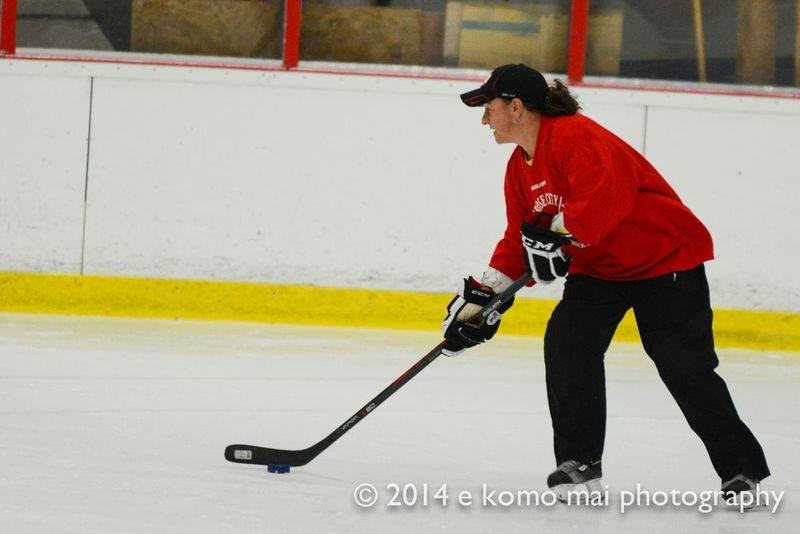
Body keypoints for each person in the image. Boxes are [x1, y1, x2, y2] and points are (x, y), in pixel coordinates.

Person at [440, 64, 770, 504]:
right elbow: (519, 238)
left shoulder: (576, 137)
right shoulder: (519, 169)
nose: (484, 119)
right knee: (567, 342)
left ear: (516, 107)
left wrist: (557, 235)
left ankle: (741, 470)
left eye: (489, 108)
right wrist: (484, 299)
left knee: (682, 365)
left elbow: (602, 202)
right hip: (600, 270)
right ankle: (579, 462)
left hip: (664, 258)